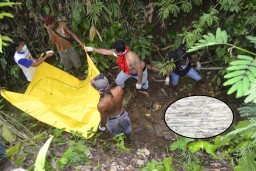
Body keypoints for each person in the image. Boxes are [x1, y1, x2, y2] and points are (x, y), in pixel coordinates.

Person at [91, 74, 132, 141]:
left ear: (98, 90)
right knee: (127, 128)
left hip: (112, 120)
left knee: (116, 133)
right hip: (123, 114)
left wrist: (102, 126)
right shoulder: (119, 89)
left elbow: (104, 118)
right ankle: (129, 139)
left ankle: (121, 142)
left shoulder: (101, 105)